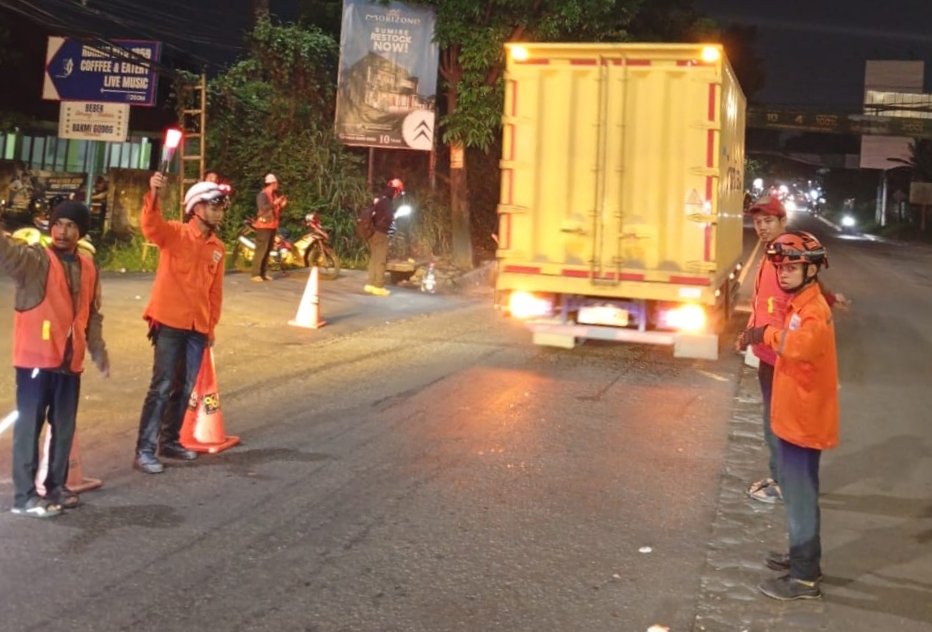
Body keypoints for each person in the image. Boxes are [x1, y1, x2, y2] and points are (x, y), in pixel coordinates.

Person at [739, 231, 838, 601]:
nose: (783, 272)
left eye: (792, 267)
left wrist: (763, 332)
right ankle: (802, 559)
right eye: (781, 266)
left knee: (799, 498)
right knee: (799, 495)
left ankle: (804, 578)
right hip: (796, 417)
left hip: (803, 423)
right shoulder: (801, 304)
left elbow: (797, 347)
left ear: (811, 270)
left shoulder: (812, 311)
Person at [1, 200, 109, 517]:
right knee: (29, 428)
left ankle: (56, 486)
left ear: (81, 232)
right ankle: (24, 497)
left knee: (64, 428)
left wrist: (97, 349)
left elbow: (92, 314)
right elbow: (7, 252)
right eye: (58, 223)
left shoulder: (88, 266)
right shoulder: (35, 260)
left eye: (71, 225)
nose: (62, 231)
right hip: (35, 360)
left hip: (69, 362)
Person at [741, 195, 847, 504]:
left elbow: (807, 285)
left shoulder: (785, 251)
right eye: (757, 222)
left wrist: (762, 335)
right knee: (777, 421)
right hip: (769, 351)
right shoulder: (774, 252)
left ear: (783, 221)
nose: (762, 227)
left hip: (781, 355)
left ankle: (784, 484)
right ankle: (788, 480)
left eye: (768, 221)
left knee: (778, 424)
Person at [133, 174, 227, 474]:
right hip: (169, 323)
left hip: (197, 328)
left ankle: (169, 441)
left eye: (221, 207)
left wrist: (210, 327)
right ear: (196, 208)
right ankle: (144, 450)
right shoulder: (174, 233)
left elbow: (215, 293)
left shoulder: (218, 248)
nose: (219, 212)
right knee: (161, 386)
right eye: (213, 206)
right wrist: (154, 194)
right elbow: (151, 225)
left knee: (184, 387)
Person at [364, 178, 404, 297]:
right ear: (395, 190)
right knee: (381, 260)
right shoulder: (387, 201)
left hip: (371, 232)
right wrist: (396, 215)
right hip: (381, 233)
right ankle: (378, 286)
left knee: (374, 258)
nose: (397, 195)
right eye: (398, 192)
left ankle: (370, 284)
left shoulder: (379, 198)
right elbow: (389, 217)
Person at [251, 173, 287, 282]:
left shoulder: (273, 195)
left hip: (272, 225)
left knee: (267, 250)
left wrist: (281, 205)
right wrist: (275, 203)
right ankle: (255, 274)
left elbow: (275, 210)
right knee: (261, 250)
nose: (277, 185)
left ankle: (263, 273)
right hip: (263, 226)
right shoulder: (262, 195)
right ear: (272, 183)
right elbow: (263, 208)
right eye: (276, 183)